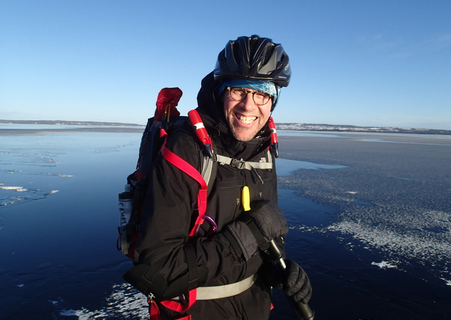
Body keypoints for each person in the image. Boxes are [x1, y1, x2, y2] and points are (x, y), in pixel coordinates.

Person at [126, 35, 312, 320]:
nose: (248, 106)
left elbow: (263, 239)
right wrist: (247, 236)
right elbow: (157, 272)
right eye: (238, 91)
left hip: (255, 309)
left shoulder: (263, 152)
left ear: (274, 99)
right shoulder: (186, 151)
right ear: (219, 91)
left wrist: (280, 271)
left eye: (261, 93)